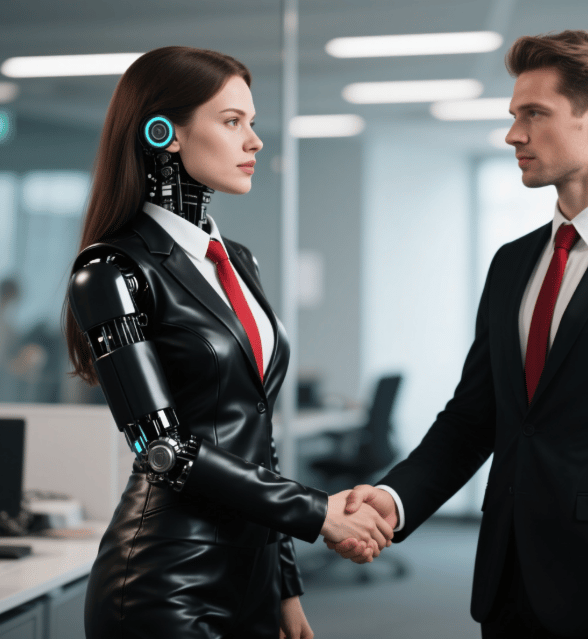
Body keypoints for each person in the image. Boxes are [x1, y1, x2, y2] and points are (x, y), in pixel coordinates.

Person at [328, 29, 588, 639]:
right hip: (508, 584)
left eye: (534, 114)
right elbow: (474, 418)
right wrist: (393, 501)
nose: (513, 134)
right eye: (513, 115)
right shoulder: (512, 262)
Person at [63, 46, 393, 639]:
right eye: (232, 121)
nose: (255, 142)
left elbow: (255, 441)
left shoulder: (236, 261)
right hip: (166, 582)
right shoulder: (111, 269)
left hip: (254, 578)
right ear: (163, 132)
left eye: (253, 122)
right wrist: (316, 514)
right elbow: (161, 447)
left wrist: (284, 584)